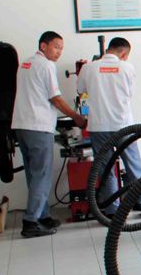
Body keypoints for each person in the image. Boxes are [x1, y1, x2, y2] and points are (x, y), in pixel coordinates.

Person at [10, 31, 86, 238]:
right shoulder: (46, 65)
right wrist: (76, 116)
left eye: (61, 48)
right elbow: (55, 98)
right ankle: (30, 222)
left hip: (21, 125)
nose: (59, 52)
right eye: (55, 46)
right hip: (37, 125)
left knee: (33, 174)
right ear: (43, 46)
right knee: (41, 175)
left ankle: (42, 215)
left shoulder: (26, 63)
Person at [76, 37, 141, 218]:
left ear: (108, 49)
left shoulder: (88, 68)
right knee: (134, 165)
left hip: (99, 126)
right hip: (123, 125)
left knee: (105, 168)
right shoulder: (127, 68)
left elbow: (81, 91)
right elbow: (130, 93)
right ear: (124, 53)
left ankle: (112, 210)